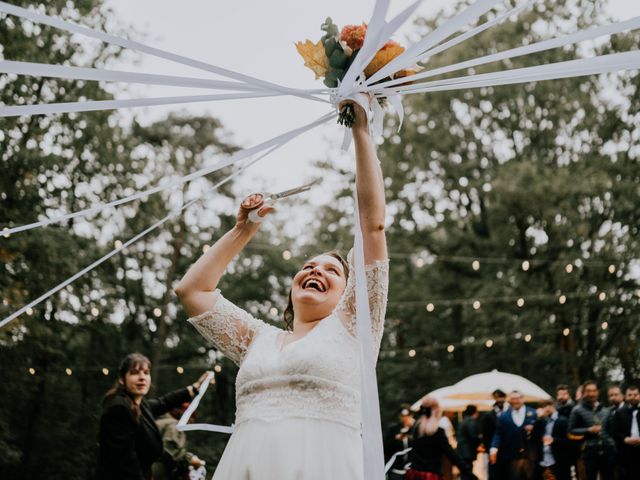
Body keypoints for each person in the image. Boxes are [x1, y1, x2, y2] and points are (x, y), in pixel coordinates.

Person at [175, 99, 388, 480]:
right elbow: (192, 290)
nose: (315, 270)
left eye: (331, 270)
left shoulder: (355, 327)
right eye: (308, 266)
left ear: (348, 294)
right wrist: (244, 230)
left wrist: (360, 129)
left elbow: (371, 224)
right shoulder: (256, 338)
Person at [97, 353, 210, 480]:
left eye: (146, 372)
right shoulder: (119, 409)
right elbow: (125, 465)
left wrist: (194, 388)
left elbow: (164, 402)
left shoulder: (139, 405)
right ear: (122, 379)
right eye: (135, 373)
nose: (142, 377)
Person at [406, 397, 477, 480]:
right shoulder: (437, 432)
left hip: (415, 475)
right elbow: (451, 454)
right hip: (430, 476)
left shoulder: (416, 429)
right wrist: (470, 474)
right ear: (437, 411)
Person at [568, 380, 615, 480]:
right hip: (589, 453)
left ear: (597, 392)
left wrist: (612, 445)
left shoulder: (605, 410)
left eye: (594, 391)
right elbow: (571, 430)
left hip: (608, 453)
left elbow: (611, 432)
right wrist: (588, 430)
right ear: (584, 393)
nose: (591, 393)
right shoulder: (577, 410)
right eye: (588, 391)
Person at [490, 390, 538, 480]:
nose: (515, 401)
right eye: (513, 399)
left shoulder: (534, 413)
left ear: (523, 399)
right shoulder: (503, 416)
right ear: (509, 400)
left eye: (517, 398)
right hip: (511, 456)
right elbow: (498, 433)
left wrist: (534, 430)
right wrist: (493, 449)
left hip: (531, 456)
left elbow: (541, 432)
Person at [152, 403, 206, 480]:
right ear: (185, 415)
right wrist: (190, 459)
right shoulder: (174, 425)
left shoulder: (161, 421)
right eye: (191, 418)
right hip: (157, 471)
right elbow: (170, 452)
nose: (191, 422)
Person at [532, 399, 571, 480]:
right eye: (543, 407)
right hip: (543, 461)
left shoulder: (563, 420)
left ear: (552, 406)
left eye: (546, 406)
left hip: (558, 461)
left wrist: (554, 440)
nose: (544, 409)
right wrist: (538, 419)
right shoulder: (542, 421)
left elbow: (569, 441)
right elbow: (534, 438)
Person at [612, 386, 640, 480]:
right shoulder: (619, 413)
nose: (632, 397)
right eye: (630, 395)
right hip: (626, 452)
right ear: (625, 397)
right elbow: (615, 432)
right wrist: (624, 439)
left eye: (635, 394)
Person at [384, 405, 415, 480]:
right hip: (396, 469)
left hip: (411, 469)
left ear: (411, 415)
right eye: (402, 415)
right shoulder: (393, 430)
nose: (405, 418)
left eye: (407, 415)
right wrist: (397, 439)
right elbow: (386, 448)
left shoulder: (415, 429)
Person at [483, 389, 507, 480]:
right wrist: (489, 450)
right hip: (493, 450)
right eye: (497, 397)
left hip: (508, 449)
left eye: (501, 397)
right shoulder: (488, 415)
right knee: (494, 474)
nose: (499, 400)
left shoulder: (510, 413)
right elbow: (486, 435)